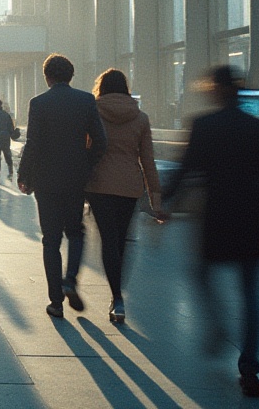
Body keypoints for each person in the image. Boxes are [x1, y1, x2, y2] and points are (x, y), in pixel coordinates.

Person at [161, 65, 259, 399]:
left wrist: (165, 202)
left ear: (215, 89)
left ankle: (218, 325)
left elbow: (185, 167)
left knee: (202, 275)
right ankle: (249, 367)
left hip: (215, 214)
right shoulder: (257, 128)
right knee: (251, 292)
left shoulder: (203, 125)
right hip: (250, 217)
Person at [17, 54, 107, 319]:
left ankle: (56, 302)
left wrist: (24, 175)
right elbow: (100, 141)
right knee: (76, 232)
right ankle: (71, 279)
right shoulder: (86, 101)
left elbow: (32, 143)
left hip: (46, 180)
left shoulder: (39, 103)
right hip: (75, 178)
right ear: (71, 75)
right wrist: (86, 165)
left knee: (51, 240)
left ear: (47, 76)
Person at [84, 69, 163, 325]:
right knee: (121, 240)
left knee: (108, 240)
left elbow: (84, 150)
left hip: (99, 184)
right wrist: (156, 200)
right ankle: (118, 296)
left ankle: (117, 297)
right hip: (130, 187)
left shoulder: (92, 113)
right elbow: (148, 161)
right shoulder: (140, 118)